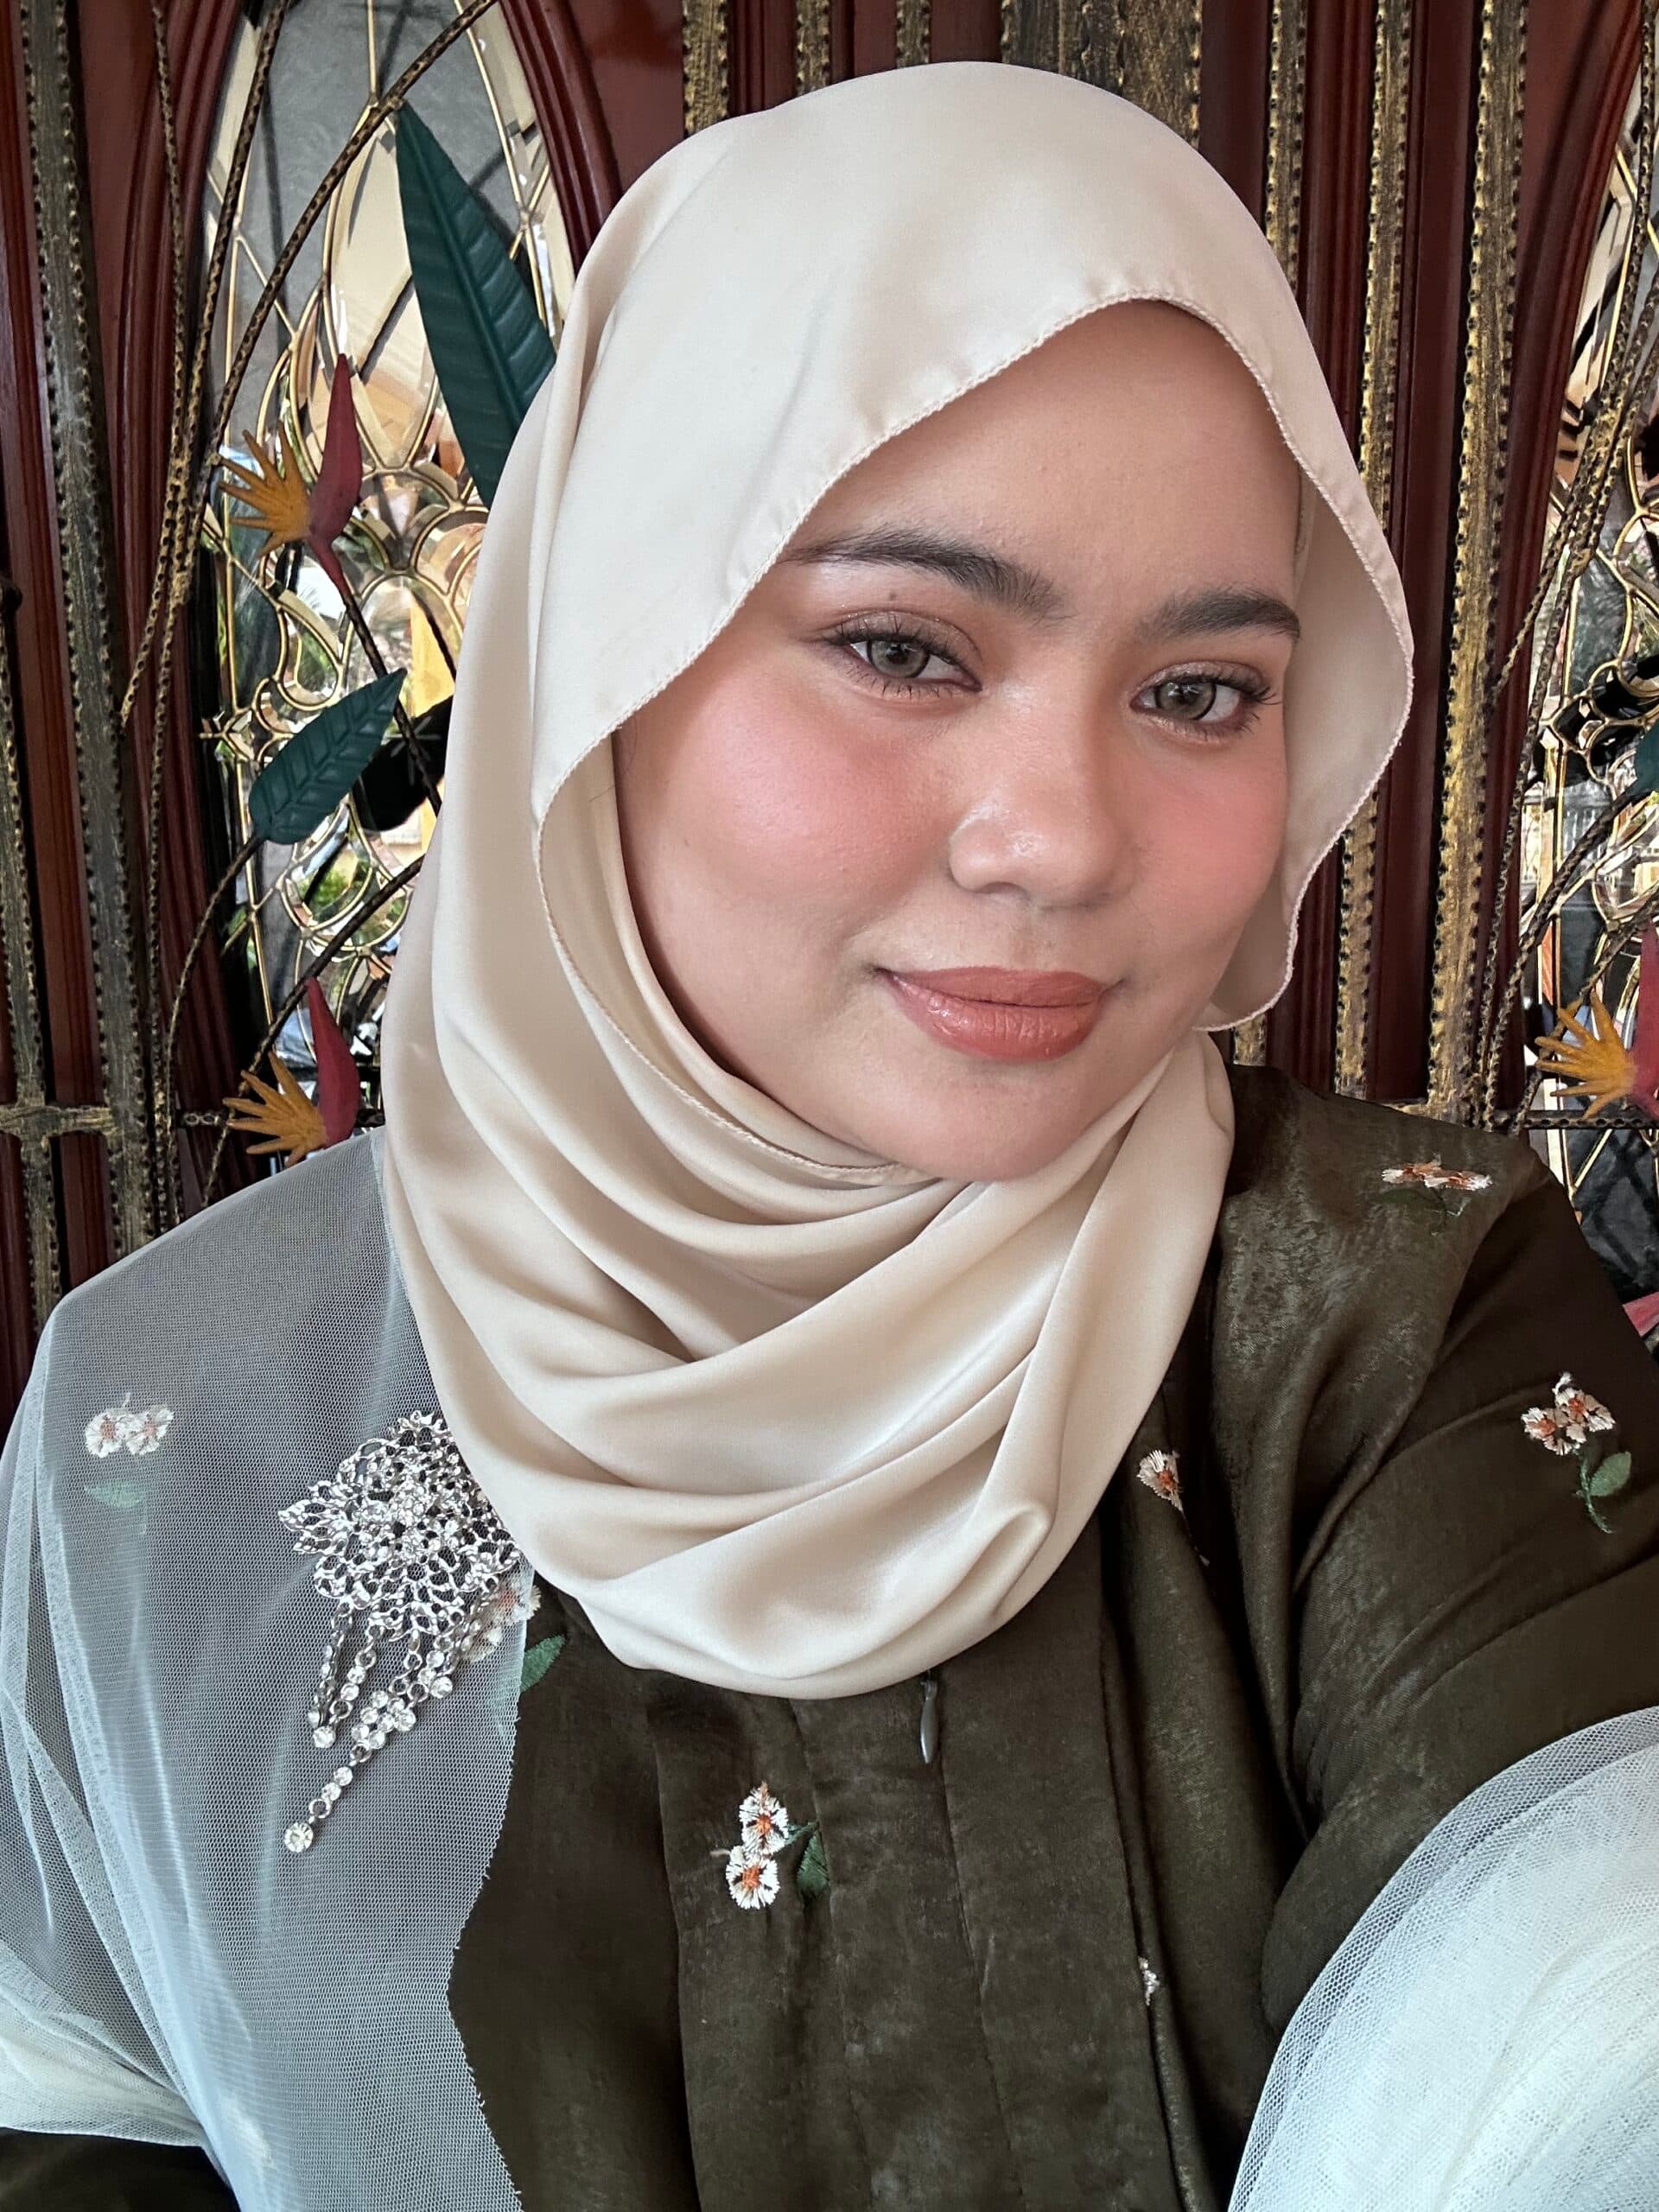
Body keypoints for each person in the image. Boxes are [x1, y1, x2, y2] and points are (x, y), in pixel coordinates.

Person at [3, 57, 1657, 2212]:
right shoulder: (168, 1427)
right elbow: (86, 2100)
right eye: (903, 647)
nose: (1061, 839)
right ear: (604, 654)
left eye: (1200, 692)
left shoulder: (1395, 1336)